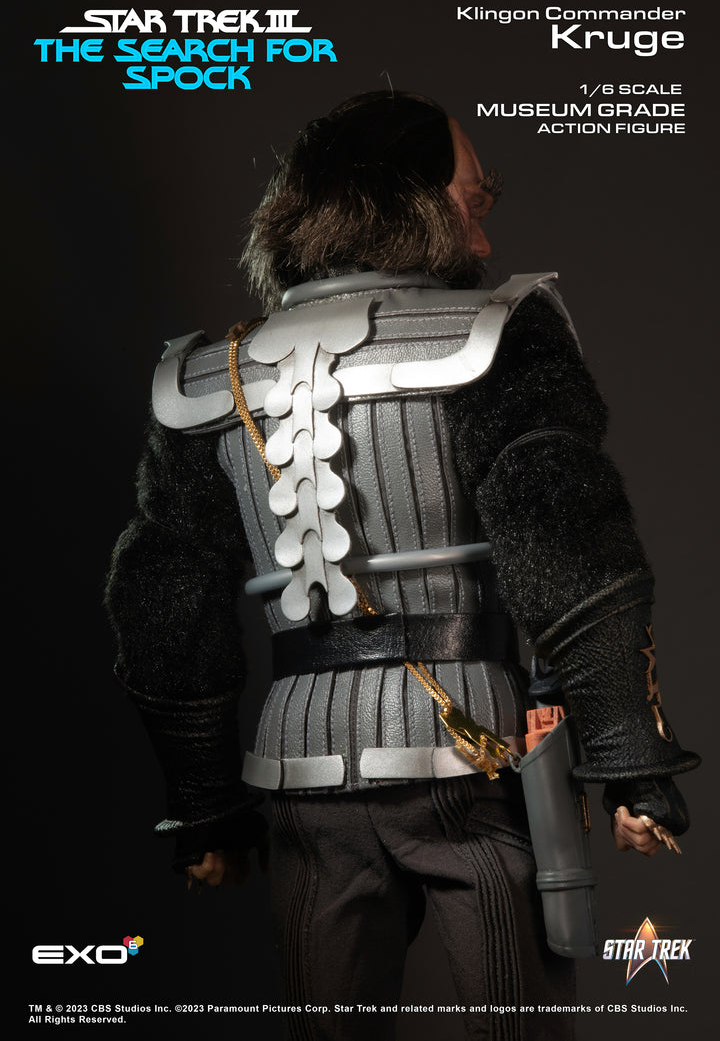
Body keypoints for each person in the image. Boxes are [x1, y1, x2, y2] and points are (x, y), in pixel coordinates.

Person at [105, 91, 699, 1041]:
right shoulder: (498, 331)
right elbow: (573, 548)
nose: (483, 232)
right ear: (405, 198)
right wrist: (629, 761)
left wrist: (206, 803)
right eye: (473, 197)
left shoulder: (205, 376)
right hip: (472, 751)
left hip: (296, 764)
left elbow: (162, 605)